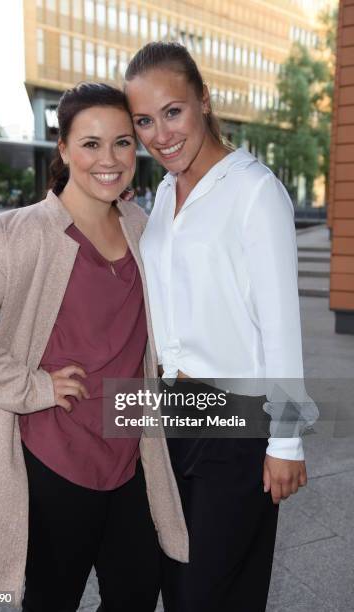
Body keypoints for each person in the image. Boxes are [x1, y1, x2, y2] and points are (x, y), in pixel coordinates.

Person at [0, 82, 189, 611]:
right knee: (53, 597)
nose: (110, 159)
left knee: (135, 593)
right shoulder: (24, 233)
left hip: (129, 449)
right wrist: (29, 386)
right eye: (91, 143)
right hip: (57, 455)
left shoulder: (140, 226)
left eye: (123, 143)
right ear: (64, 149)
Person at [124, 42, 317, 612]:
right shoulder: (161, 193)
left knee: (209, 591)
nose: (160, 134)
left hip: (236, 417)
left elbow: (280, 326)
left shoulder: (254, 191)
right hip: (168, 413)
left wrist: (286, 440)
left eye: (173, 111)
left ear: (203, 101)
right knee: (179, 583)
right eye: (143, 121)